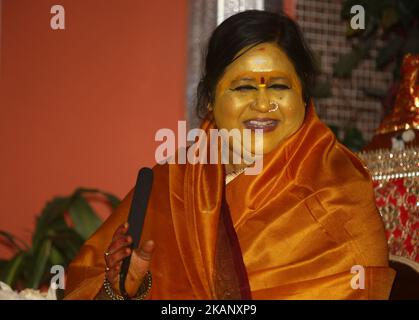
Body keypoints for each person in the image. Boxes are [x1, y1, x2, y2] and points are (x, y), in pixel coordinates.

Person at [64, 10, 395, 300]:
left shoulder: (337, 197)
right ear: (209, 98)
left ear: (304, 96)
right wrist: (120, 291)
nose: (263, 104)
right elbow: (85, 282)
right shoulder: (172, 184)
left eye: (279, 86)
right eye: (244, 87)